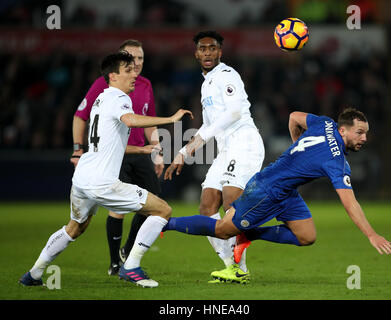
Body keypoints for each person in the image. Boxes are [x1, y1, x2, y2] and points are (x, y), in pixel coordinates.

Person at [19, 52, 193, 288]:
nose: (134, 74)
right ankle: (130, 267)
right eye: (128, 70)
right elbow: (131, 120)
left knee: (75, 227)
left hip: (82, 178)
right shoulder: (118, 98)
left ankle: (34, 274)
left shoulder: (101, 100)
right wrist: (171, 119)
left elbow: (107, 144)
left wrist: (141, 151)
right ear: (113, 76)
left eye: (134, 69)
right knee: (163, 210)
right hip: (102, 182)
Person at [162, 108, 391, 282]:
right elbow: (350, 203)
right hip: (265, 190)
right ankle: (164, 223)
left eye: (365, 133)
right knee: (223, 230)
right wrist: (371, 235)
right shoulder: (336, 162)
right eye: (360, 132)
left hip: (286, 191)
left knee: (307, 236)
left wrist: (297, 145)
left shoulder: (325, 123)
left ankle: (248, 235)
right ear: (342, 130)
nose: (364, 138)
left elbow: (294, 116)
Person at [164, 30, 265, 284]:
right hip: (226, 149)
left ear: (220, 52)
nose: (207, 52)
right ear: (196, 53)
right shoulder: (205, 83)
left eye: (212, 48)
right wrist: (183, 152)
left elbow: (232, 114)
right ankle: (232, 266)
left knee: (232, 200)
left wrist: (198, 142)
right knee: (207, 205)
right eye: (202, 48)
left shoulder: (227, 75)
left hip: (244, 142)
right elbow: (206, 127)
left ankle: (240, 266)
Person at [71, 40, 164, 276]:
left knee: (153, 205)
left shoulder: (145, 85)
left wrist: (157, 150)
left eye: (141, 58)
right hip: (116, 155)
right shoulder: (105, 84)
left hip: (140, 151)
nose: (137, 63)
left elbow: (149, 120)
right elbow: (80, 115)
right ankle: (115, 263)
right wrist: (77, 148)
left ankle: (127, 250)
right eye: (132, 58)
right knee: (118, 209)